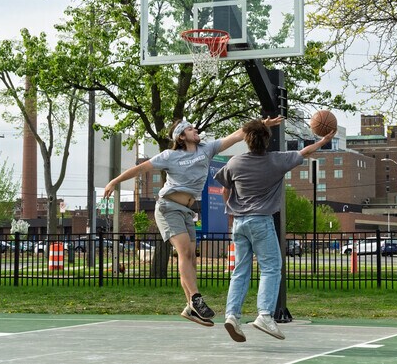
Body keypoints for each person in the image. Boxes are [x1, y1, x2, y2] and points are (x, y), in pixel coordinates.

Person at [103, 117, 282, 327]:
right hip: (168, 208)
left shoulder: (207, 149)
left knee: (191, 259)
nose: (195, 129)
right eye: (190, 128)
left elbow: (236, 136)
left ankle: (190, 308)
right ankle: (196, 299)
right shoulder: (169, 155)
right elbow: (141, 169)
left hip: (187, 211)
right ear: (181, 136)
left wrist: (261, 124)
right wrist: (114, 181)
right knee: (185, 253)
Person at [214, 118, 335, 342]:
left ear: (246, 139)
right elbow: (305, 151)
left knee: (240, 271)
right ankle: (264, 315)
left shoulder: (234, 162)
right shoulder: (277, 161)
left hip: (239, 223)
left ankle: (232, 315)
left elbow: (224, 190)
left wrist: (231, 211)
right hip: (261, 221)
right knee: (271, 268)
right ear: (267, 141)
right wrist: (324, 140)